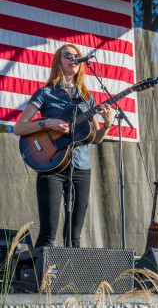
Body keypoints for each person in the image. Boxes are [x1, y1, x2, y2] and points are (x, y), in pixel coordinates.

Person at [13, 44, 114, 248]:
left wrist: (107, 125)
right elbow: (19, 128)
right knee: (48, 233)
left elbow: (96, 138)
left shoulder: (86, 97)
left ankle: (71, 279)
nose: (73, 58)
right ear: (58, 61)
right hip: (52, 165)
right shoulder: (45, 93)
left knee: (74, 236)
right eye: (67, 55)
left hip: (81, 167)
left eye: (77, 56)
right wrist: (46, 123)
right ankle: (41, 279)